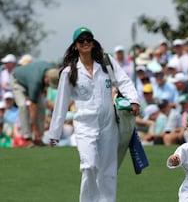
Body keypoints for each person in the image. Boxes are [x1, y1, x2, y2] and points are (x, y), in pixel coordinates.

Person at [48, 27, 140, 202]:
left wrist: (133, 100)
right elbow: (61, 103)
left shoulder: (106, 63)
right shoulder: (69, 72)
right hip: (85, 125)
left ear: (93, 41)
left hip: (108, 124)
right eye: (81, 40)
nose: (85, 43)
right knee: (89, 166)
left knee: (108, 171)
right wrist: (55, 132)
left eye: (88, 39)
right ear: (75, 45)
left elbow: (124, 81)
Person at [9, 59, 59, 147]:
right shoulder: (36, 81)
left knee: (42, 107)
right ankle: (27, 138)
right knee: (23, 106)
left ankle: (38, 139)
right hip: (17, 80)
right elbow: (33, 106)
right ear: (46, 78)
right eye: (49, 83)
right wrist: (35, 128)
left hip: (29, 79)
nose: (48, 85)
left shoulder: (53, 70)